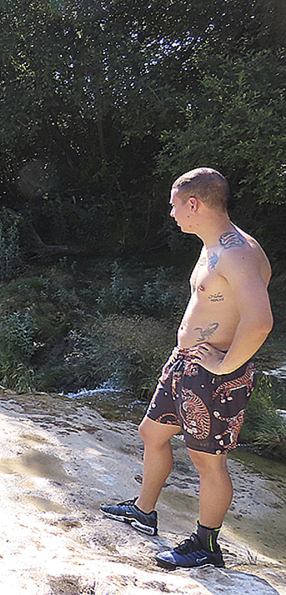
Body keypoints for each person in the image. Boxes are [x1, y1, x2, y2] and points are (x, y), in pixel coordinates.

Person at [101, 168, 273, 569]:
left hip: (216, 375)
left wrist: (225, 364)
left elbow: (260, 321)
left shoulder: (238, 253)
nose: (173, 214)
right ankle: (144, 513)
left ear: (193, 203)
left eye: (175, 205)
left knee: (208, 462)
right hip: (186, 364)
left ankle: (206, 544)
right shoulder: (211, 244)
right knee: (151, 432)